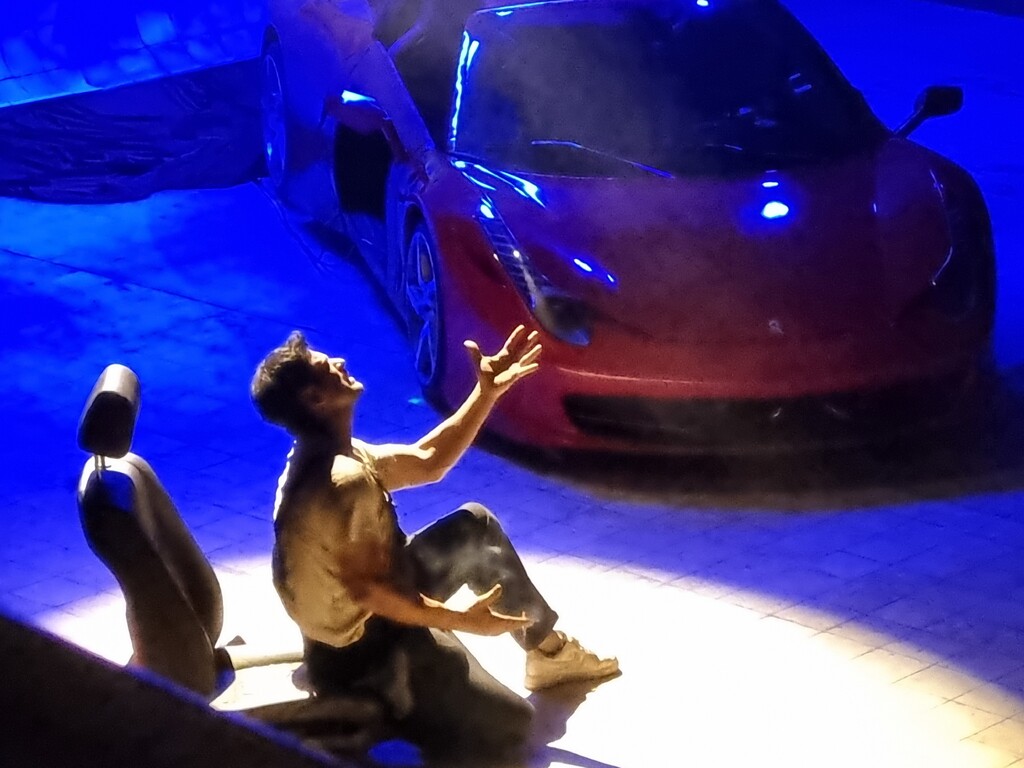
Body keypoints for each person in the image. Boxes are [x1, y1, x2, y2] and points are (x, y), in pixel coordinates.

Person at [250, 325, 618, 762]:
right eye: (325, 366)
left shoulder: (334, 452)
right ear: (315, 399)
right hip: (360, 651)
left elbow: (428, 461)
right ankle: (378, 704)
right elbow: (371, 593)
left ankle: (548, 655)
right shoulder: (341, 483)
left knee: (473, 527)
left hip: (381, 603)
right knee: (510, 727)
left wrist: (486, 393)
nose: (339, 361)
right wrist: (460, 620)